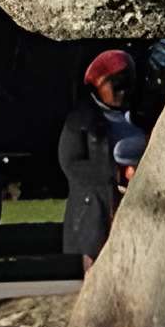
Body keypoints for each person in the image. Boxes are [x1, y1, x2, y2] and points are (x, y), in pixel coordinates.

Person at [58, 49, 140, 276]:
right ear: (98, 87)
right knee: (96, 260)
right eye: (116, 85)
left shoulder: (136, 116)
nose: (123, 92)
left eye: (127, 85)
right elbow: (69, 162)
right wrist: (114, 174)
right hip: (96, 203)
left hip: (135, 197)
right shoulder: (81, 121)